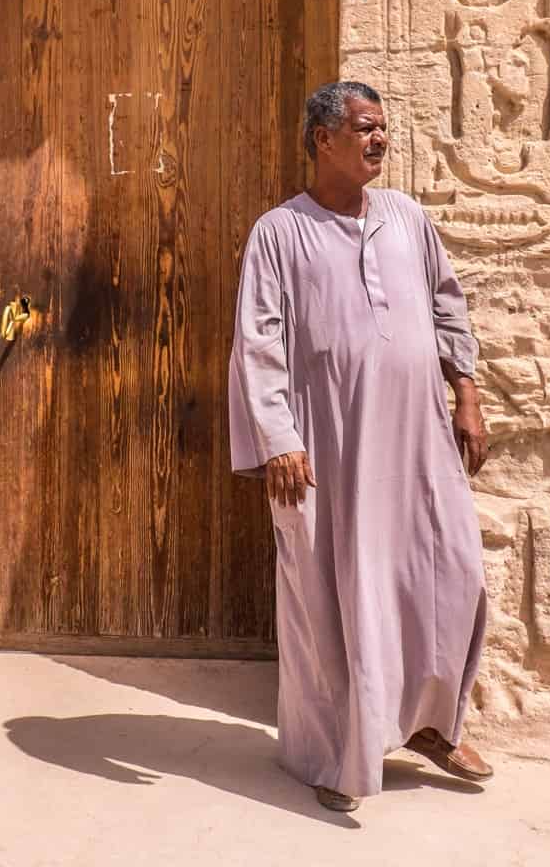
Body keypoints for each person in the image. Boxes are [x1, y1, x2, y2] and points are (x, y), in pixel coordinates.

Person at [227, 79, 494, 813]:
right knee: (326, 593)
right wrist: (278, 437)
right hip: (326, 444)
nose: (380, 141)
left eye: (383, 130)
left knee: (450, 574)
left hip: (418, 437)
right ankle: (329, 751)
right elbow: (259, 342)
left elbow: (447, 301)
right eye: (367, 129)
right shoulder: (279, 232)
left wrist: (465, 392)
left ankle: (434, 724)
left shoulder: (407, 217)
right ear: (325, 140)